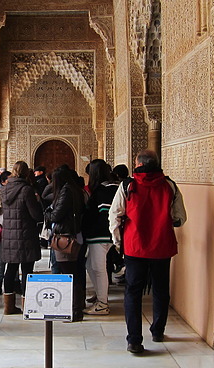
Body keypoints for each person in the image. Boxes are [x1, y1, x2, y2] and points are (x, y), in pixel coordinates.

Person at [109, 150, 187, 353]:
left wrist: (119, 242)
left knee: (133, 292)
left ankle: (134, 340)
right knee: (161, 290)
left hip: (135, 247)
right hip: (162, 246)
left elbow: (115, 215)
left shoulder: (128, 185)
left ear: (138, 164)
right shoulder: (169, 185)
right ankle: (158, 331)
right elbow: (180, 217)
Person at [0, 161, 44, 315]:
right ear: (26, 173)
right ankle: (27, 305)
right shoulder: (26, 190)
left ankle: (8, 306)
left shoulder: (3, 189)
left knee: (10, 269)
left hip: (9, 235)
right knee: (26, 269)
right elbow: (36, 215)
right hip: (25, 234)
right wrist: (38, 203)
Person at [49, 166, 88, 321]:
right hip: (73, 233)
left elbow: (57, 215)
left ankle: (75, 309)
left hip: (65, 236)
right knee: (73, 272)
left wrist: (49, 213)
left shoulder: (66, 191)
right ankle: (76, 306)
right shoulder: (75, 190)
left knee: (68, 274)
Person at [82, 159, 118, 315]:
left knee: (98, 268)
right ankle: (100, 296)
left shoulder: (104, 190)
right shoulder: (112, 187)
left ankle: (102, 304)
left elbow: (105, 213)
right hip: (103, 234)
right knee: (91, 266)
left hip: (100, 235)